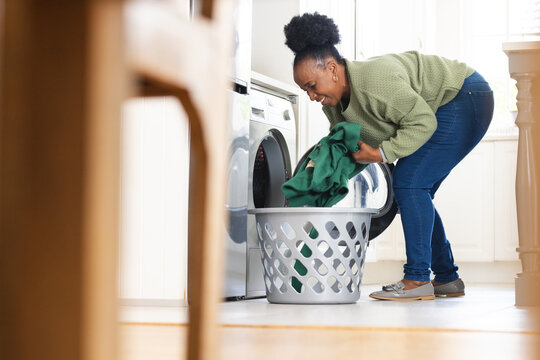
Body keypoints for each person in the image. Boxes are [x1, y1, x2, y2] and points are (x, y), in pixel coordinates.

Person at [283, 12, 494, 300]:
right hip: (448, 104)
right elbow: (350, 151)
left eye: (311, 86)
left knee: (409, 183)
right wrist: (321, 180)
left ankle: (418, 279)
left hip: (464, 95)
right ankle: (447, 278)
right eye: (304, 89)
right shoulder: (334, 105)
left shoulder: (374, 83)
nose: (310, 96)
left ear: (332, 69)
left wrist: (382, 153)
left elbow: (422, 122)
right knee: (416, 190)